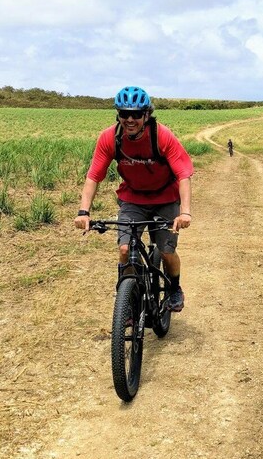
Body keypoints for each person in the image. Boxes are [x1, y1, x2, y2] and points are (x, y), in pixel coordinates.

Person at [74, 86, 193, 312]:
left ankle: (174, 288)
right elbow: (93, 176)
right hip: (133, 197)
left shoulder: (161, 136)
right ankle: (127, 302)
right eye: (124, 113)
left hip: (166, 197)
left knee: (166, 249)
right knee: (125, 250)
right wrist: (83, 212)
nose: (130, 119)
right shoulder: (110, 138)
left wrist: (185, 211)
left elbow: (183, 175)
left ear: (146, 115)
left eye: (136, 114)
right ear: (117, 115)